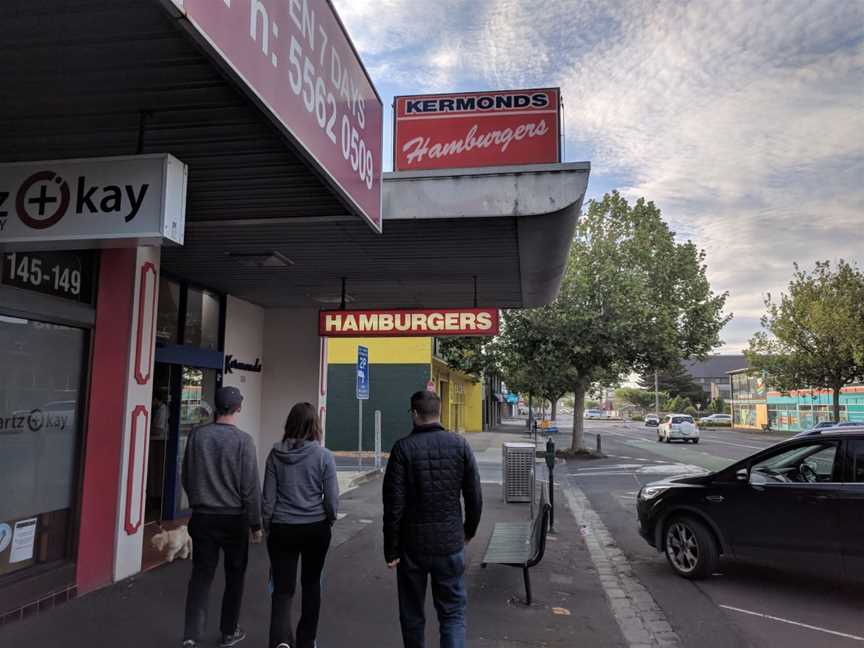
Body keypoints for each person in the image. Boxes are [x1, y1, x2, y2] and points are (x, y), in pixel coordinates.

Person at [383, 390, 483, 648]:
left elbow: (393, 504)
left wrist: (391, 548)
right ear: (439, 412)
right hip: (450, 542)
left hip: (412, 546)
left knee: (412, 614)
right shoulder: (460, 445)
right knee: (452, 613)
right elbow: (474, 495)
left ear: (414, 414)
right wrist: (468, 530)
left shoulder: (403, 449)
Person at [181, 386, 262, 648]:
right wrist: (255, 523)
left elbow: (186, 475)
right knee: (235, 576)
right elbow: (250, 486)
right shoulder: (243, 441)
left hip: (203, 516)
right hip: (233, 518)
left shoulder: (197, 436)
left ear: (216, 406)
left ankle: (192, 635)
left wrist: (197, 499)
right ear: (238, 408)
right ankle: (228, 632)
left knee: (201, 575)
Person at [262, 402, 338, 648]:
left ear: (290, 424)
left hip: (283, 528)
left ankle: (281, 641)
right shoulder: (324, 456)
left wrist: (267, 526)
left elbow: (268, 498)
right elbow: (332, 499)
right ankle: (306, 641)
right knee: (311, 584)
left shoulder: (275, 454)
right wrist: (330, 518)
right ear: (315, 426)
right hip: (315, 528)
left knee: (282, 589)